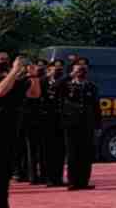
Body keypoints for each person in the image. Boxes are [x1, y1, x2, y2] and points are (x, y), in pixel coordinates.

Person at [55, 57, 101, 191]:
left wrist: (98, 125)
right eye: (78, 68)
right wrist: (70, 75)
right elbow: (55, 86)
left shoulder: (91, 86)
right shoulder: (67, 84)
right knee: (72, 153)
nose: (81, 71)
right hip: (71, 123)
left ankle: (84, 181)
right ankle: (73, 181)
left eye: (83, 69)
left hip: (87, 124)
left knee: (86, 153)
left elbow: (96, 107)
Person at [0, 56, 31, 208]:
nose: (2, 60)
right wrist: (13, 70)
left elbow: (34, 93)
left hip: (10, 129)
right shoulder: (7, 77)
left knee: (5, 172)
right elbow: (1, 91)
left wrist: (32, 75)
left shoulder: (15, 78)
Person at [19, 60, 47, 184]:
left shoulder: (41, 80)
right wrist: (33, 77)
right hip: (27, 118)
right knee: (30, 148)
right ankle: (31, 175)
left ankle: (38, 174)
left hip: (39, 118)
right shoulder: (24, 81)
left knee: (38, 148)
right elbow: (34, 95)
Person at [40, 60, 66, 188]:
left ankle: (58, 177)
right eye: (55, 68)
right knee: (48, 150)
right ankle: (48, 178)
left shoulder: (65, 81)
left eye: (60, 68)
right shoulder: (43, 81)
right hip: (46, 119)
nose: (58, 70)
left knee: (60, 150)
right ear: (49, 69)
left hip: (61, 119)